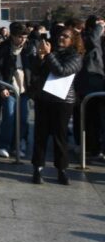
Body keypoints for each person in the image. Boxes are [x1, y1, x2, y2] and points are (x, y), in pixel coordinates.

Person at [30, 26, 83, 185]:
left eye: (66, 36)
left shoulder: (76, 56)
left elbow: (62, 70)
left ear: (73, 40)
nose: (61, 39)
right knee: (41, 135)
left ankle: (61, 169)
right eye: (60, 36)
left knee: (60, 136)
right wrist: (40, 58)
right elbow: (37, 72)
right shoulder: (51, 52)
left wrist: (48, 55)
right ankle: (38, 168)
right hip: (44, 99)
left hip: (63, 101)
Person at [0, 22, 35, 157]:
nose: (23, 40)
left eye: (25, 37)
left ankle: (18, 143)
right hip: (9, 88)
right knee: (9, 117)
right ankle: (3, 144)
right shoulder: (3, 48)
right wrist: (1, 87)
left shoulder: (29, 48)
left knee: (23, 117)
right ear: (13, 36)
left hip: (25, 89)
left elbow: (35, 68)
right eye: (20, 37)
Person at [74, 15, 104, 157]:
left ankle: (95, 146)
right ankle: (92, 146)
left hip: (95, 80)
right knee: (90, 117)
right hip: (91, 81)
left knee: (96, 118)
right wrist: (99, 27)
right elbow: (93, 41)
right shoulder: (88, 38)